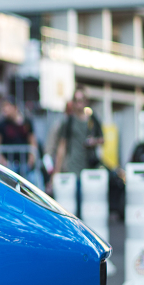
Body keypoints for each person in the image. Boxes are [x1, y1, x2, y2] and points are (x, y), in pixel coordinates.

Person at [53, 87, 104, 215]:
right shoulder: (69, 121)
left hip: (90, 167)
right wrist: (57, 171)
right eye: (76, 100)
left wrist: (93, 141)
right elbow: (62, 146)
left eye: (81, 100)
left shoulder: (92, 119)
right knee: (76, 205)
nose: (79, 103)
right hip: (73, 167)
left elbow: (102, 139)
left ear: (86, 101)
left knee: (91, 206)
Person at [0, 99, 37, 174]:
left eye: (7, 106)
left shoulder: (26, 122)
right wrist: (2, 160)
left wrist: (31, 158)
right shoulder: (1, 124)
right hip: (8, 163)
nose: (5, 109)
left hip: (24, 162)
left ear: (15, 107)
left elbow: (32, 140)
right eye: (3, 106)